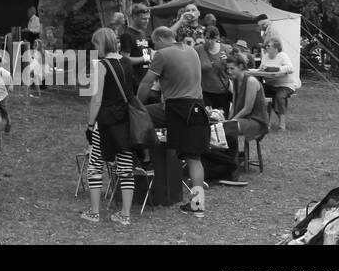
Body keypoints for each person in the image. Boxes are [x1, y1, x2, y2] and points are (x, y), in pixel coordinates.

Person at [136, 26, 209, 217]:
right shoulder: (191, 50)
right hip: (198, 108)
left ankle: (144, 157)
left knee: (140, 114)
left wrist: (136, 104)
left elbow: (146, 83)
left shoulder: (162, 53)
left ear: (160, 39)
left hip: (178, 109)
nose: (153, 46)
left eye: (153, 42)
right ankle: (197, 204)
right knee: (194, 158)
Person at [81, 28, 136, 226]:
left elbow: (96, 99)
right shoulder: (127, 63)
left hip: (105, 123)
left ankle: (94, 212)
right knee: (126, 168)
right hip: (126, 122)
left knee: (95, 165)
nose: (95, 48)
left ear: (102, 43)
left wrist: (89, 124)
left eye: (96, 44)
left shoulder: (101, 66)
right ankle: (125, 214)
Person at [253, 37, 300, 132]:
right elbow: (261, 69)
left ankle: (282, 124)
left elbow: (290, 68)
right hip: (271, 84)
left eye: (268, 46)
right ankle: (266, 122)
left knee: (279, 96)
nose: (266, 48)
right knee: (260, 94)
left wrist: (276, 69)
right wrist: (263, 70)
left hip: (285, 85)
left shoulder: (282, 55)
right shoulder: (265, 56)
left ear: (276, 48)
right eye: (265, 46)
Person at [223, 51, 269, 143]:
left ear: (240, 67)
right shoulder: (235, 81)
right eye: (228, 69)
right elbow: (234, 105)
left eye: (232, 68)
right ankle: (231, 154)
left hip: (256, 121)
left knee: (227, 127)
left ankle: (231, 155)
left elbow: (247, 109)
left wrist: (231, 121)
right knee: (221, 127)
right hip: (243, 119)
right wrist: (228, 120)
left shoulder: (250, 81)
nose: (229, 71)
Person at [199, 28, 231, 114]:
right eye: (207, 38)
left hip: (222, 92)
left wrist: (227, 63)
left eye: (212, 38)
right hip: (205, 93)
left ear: (217, 38)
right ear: (203, 36)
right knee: (207, 120)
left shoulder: (226, 49)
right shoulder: (198, 49)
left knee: (222, 121)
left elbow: (234, 70)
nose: (209, 41)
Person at [119, 4, 152, 87]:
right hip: (135, 81)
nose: (147, 21)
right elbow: (125, 60)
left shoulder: (142, 33)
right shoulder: (127, 35)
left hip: (146, 78)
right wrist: (144, 58)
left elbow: (143, 52)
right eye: (143, 19)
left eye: (148, 18)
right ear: (134, 17)